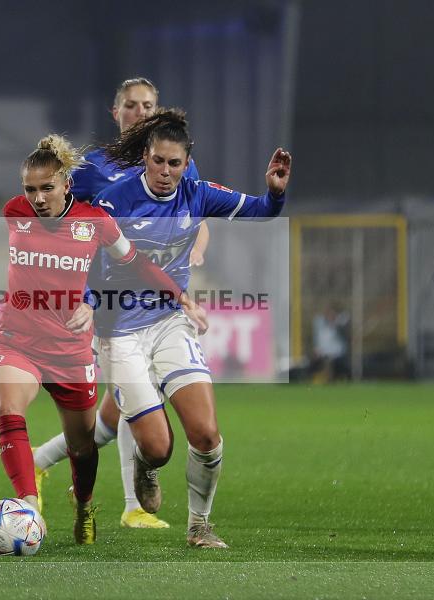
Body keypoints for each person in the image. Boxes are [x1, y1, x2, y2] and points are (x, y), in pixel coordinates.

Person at [90, 109, 291, 548]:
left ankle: (199, 525)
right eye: (158, 161)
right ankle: (146, 465)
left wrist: (274, 194)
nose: (165, 172)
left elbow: (260, 212)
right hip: (119, 331)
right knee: (159, 446)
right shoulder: (115, 202)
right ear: (145, 156)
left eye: (174, 163)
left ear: (187, 163)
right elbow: (91, 267)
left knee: (205, 434)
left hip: (169, 324)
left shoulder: (197, 195)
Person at [0, 134, 202, 545]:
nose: (37, 197)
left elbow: (132, 265)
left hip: (69, 350)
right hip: (17, 339)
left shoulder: (95, 224)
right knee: (8, 408)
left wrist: (178, 296)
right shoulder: (13, 212)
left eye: (47, 188)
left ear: (67, 183)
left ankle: (84, 506)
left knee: (83, 446)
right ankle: (28, 506)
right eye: (30, 189)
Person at [33, 77, 209, 529]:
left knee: (119, 410)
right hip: (109, 304)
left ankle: (41, 459)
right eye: (131, 105)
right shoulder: (94, 169)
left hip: (157, 303)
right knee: (135, 404)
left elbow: (196, 214)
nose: (141, 113)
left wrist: (198, 246)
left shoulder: (171, 163)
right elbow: (59, 215)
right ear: (117, 114)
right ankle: (132, 504)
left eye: (149, 105)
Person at [311, 303, 350, 382]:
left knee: (336, 364)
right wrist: (317, 349)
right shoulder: (321, 324)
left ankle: (333, 379)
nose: (330, 316)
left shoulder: (338, 324)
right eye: (328, 314)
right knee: (321, 363)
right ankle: (325, 378)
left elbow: (346, 317)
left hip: (337, 355)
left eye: (332, 314)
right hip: (324, 355)